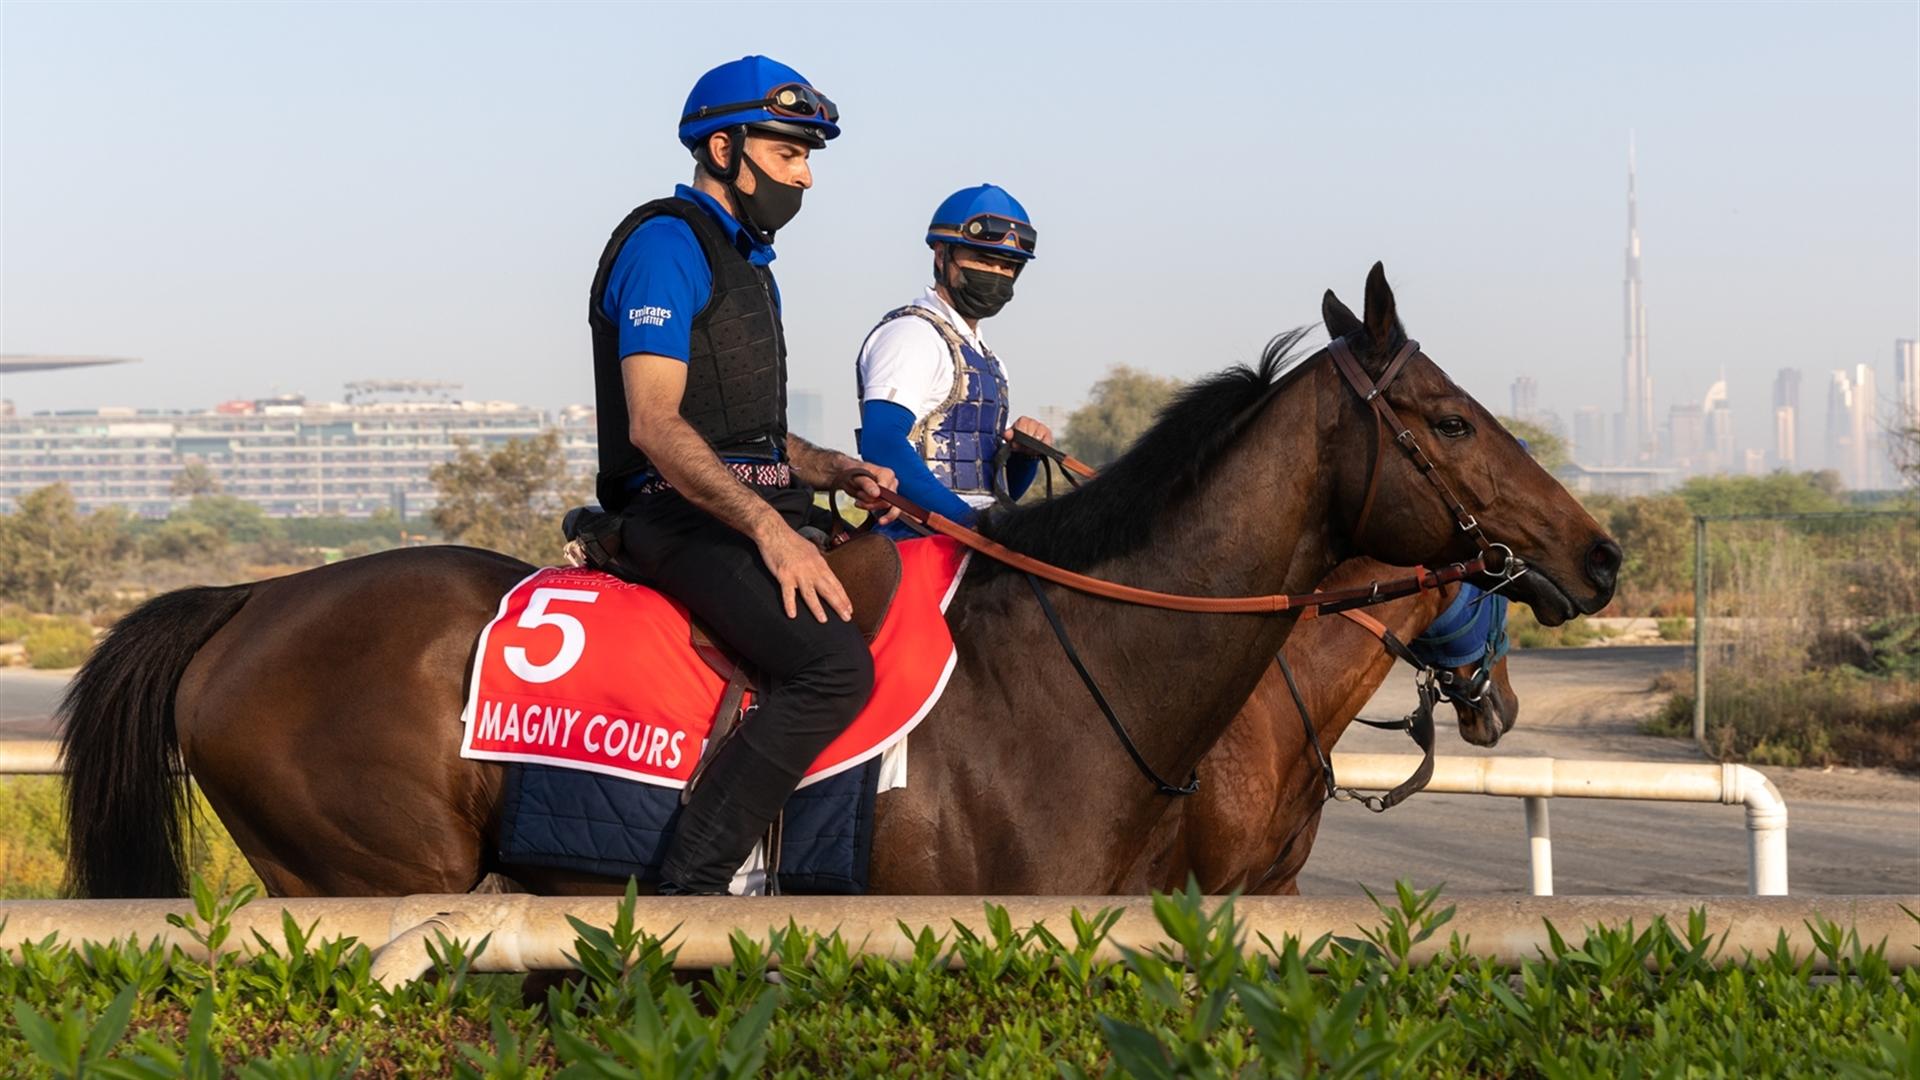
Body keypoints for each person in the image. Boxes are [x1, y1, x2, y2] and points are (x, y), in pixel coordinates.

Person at [587, 56, 898, 895]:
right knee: (833, 668)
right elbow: (656, 425)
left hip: (742, 501)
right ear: (725, 149)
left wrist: (832, 467)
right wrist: (770, 532)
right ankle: (685, 891)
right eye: (790, 154)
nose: (804, 176)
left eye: (809, 159)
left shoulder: (750, 263)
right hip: (677, 515)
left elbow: (746, 434)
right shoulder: (664, 246)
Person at [854, 184, 1052, 533]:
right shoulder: (912, 335)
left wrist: (1024, 455)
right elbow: (882, 442)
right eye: (983, 260)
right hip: (914, 537)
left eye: (1008, 266)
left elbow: (993, 492)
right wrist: (968, 524)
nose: (996, 274)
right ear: (941, 255)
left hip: (969, 538)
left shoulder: (989, 360)